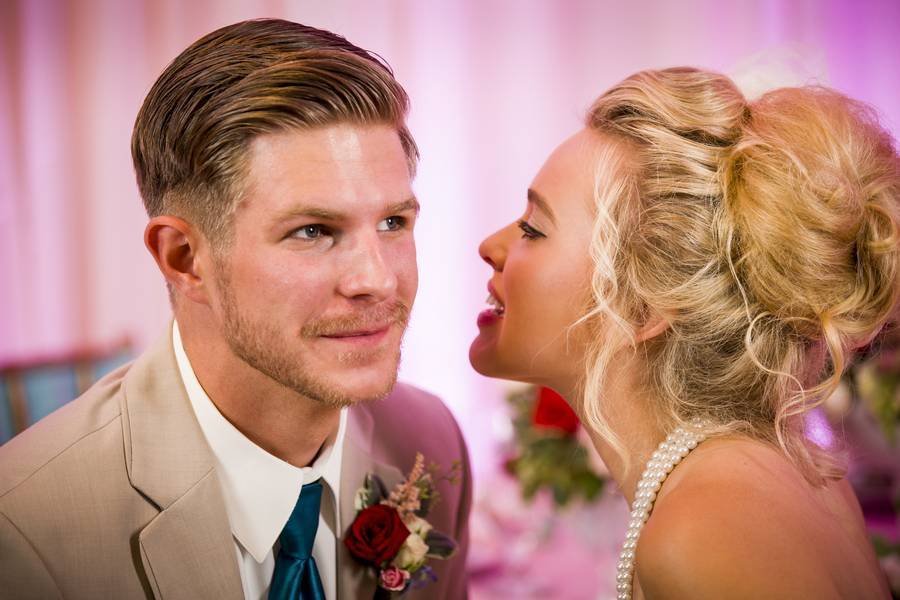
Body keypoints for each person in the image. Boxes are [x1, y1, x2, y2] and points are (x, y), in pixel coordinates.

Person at [0, 19, 470, 600]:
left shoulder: (432, 442)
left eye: (393, 221)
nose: (376, 280)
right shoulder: (25, 529)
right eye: (313, 230)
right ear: (185, 258)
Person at [471, 67, 895, 599]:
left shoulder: (706, 533)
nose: (490, 245)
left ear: (642, 306)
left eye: (534, 228)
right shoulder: (781, 480)